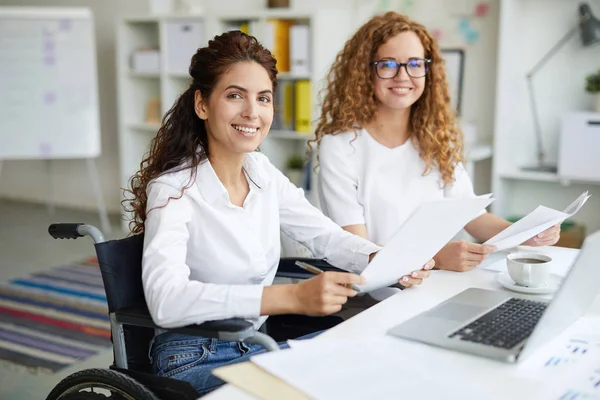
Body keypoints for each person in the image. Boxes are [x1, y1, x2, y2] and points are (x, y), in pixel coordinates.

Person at [125, 30, 432, 395]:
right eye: (235, 95)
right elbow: (166, 301)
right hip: (192, 357)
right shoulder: (173, 191)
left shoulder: (262, 173)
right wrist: (291, 298)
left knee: (370, 350)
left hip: (255, 345)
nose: (252, 112)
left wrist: (384, 259)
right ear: (202, 105)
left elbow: (325, 235)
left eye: (264, 98)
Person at [312, 12, 560, 273]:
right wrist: (436, 258)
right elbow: (358, 251)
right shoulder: (340, 147)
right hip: (376, 295)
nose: (403, 76)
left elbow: (473, 217)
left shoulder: (435, 139)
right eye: (387, 64)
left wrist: (526, 234)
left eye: (415, 64)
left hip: (437, 284)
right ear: (365, 72)